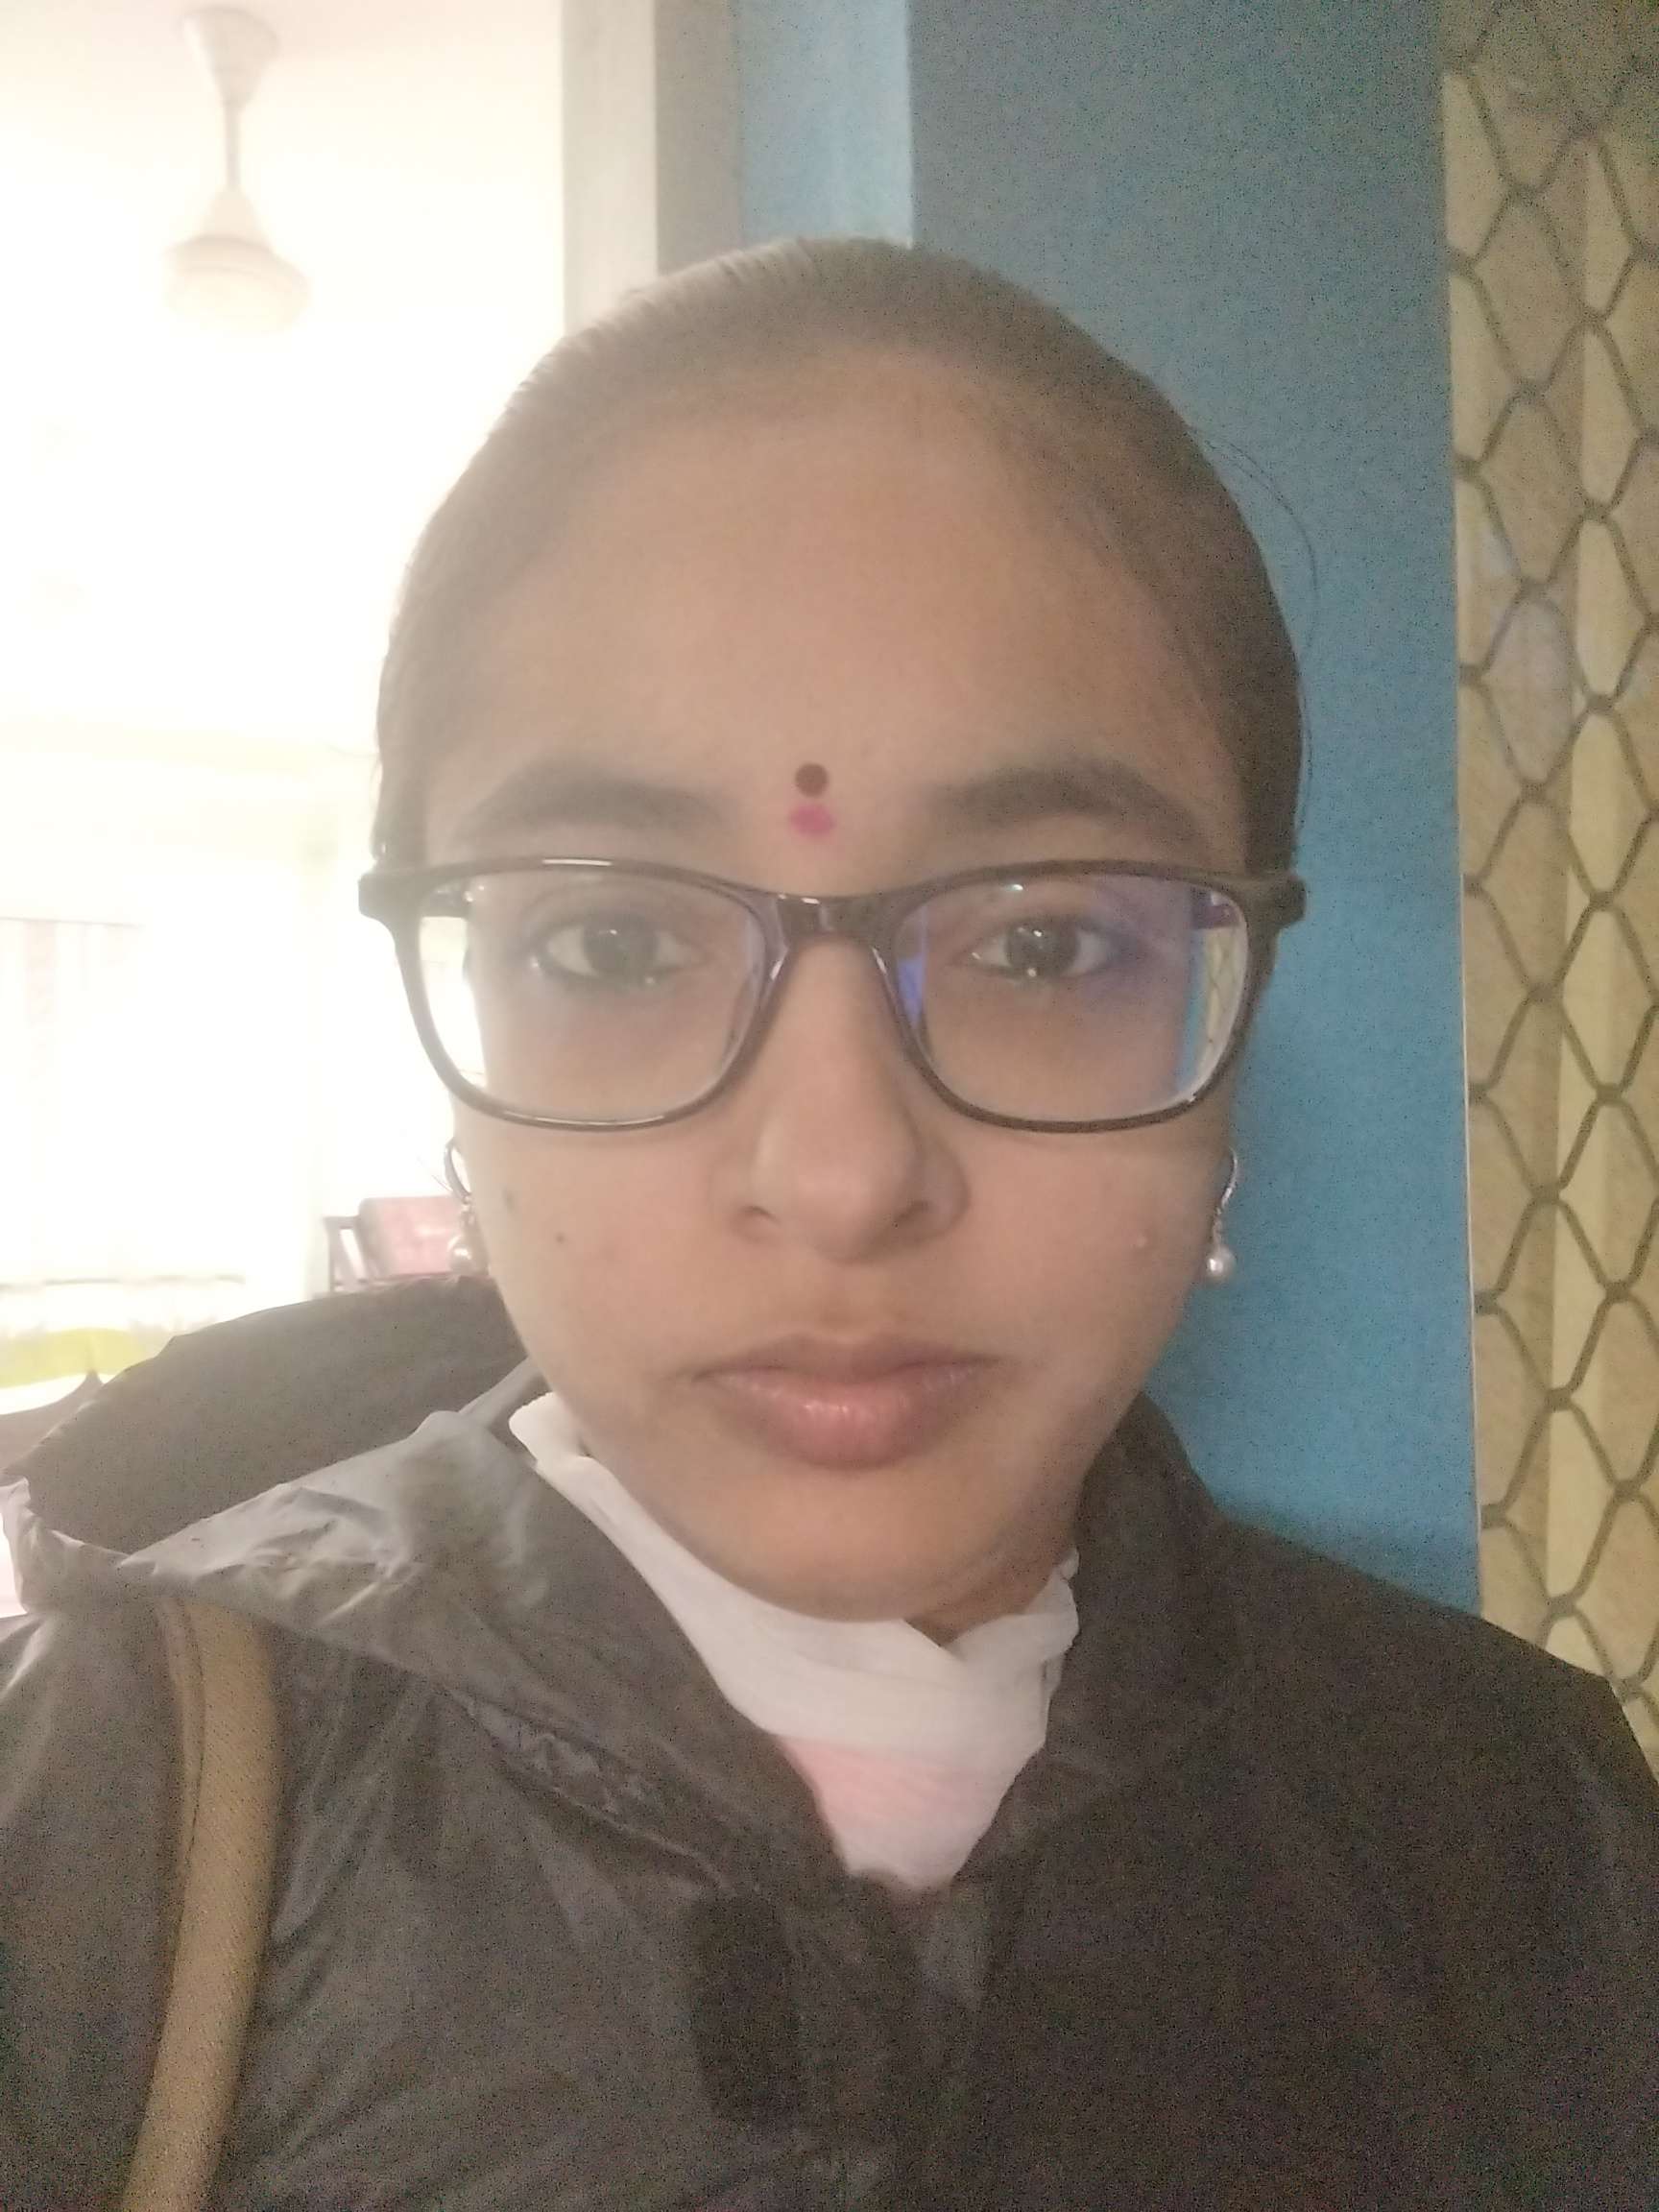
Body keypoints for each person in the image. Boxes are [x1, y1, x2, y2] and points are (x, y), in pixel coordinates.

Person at [3, 238, 1655, 2211]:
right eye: (612, 945)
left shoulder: (1522, 1828)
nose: (846, 1176)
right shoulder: (105, 1807)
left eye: (1045, 944)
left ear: (1235, 1016)